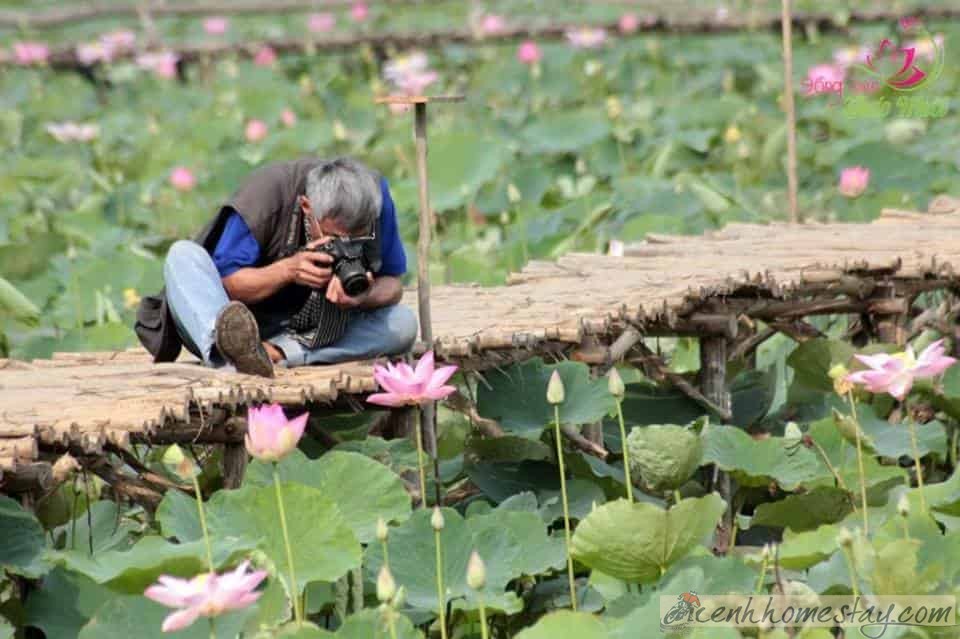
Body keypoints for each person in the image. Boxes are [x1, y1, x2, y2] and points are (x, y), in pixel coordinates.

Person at [135, 157, 419, 377]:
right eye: (335, 236)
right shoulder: (265, 197)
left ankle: (275, 354)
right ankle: (228, 358)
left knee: (402, 324)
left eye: (357, 236)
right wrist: (288, 270)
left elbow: (393, 283)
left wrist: (362, 296)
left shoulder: (376, 198)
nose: (347, 243)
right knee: (182, 255)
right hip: (237, 322)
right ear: (307, 208)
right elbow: (226, 283)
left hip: (316, 330)